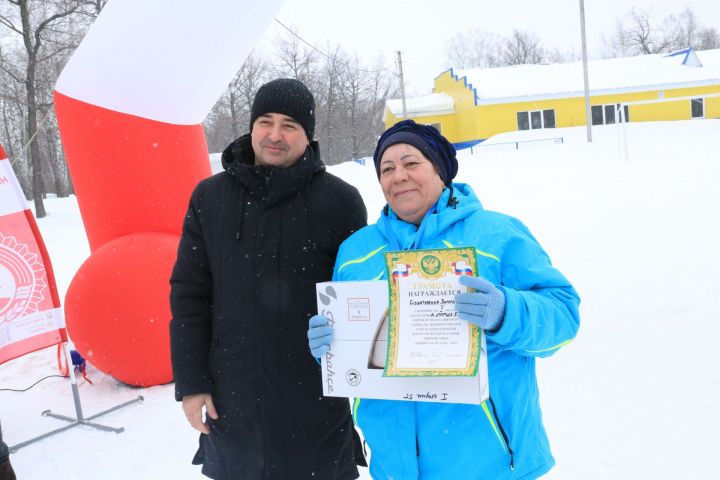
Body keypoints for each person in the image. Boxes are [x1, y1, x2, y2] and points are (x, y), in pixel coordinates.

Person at [308, 120, 580, 479]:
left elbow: (563, 317)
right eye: (386, 169)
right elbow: (355, 354)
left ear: (440, 171)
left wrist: (506, 312)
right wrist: (331, 348)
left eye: (411, 163)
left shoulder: (496, 234)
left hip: (489, 463)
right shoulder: (357, 252)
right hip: (395, 466)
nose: (398, 175)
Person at [170, 78, 368, 480]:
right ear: (252, 125)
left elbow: (362, 298)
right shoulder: (210, 197)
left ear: (307, 135)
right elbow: (190, 294)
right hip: (234, 399)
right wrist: (192, 382)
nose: (275, 135)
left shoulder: (340, 201)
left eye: (289, 125)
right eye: (266, 121)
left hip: (315, 400)